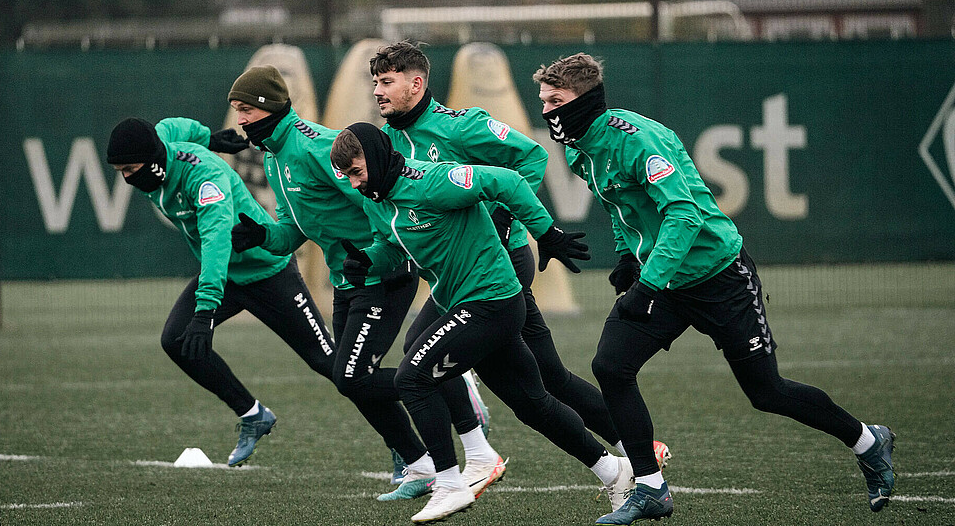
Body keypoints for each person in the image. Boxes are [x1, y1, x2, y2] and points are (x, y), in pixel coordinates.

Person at [532, 53, 896, 525]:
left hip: (718, 276)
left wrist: (649, 281)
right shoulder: (582, 148)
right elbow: (621, 206)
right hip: (663, 280)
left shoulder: (637, 140)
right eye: (542, 101)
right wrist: (627, 254)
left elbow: (685, 215)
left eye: (556, 101)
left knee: (767, 392)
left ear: (586, 100)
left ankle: (869, 441)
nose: (547, 112)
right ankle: (650, 487)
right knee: (611, 365)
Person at [369, 41, 671, 475]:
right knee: (547, 378)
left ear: (416, 84)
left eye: (387, 81)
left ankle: (473, 456)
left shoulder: (459, 126)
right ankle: (636, 446)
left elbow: (530, 156)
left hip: (498, 265)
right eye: (375, 82)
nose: (378, 91)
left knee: (421, 356)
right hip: (462, 274)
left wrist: (506, 219)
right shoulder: (391, 141)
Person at [330, 122, 635, 523]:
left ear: (377, 156)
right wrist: (370, 260)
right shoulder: (378, 199)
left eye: (357, 172)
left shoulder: (432, 181)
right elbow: (391, 247)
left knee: (413, 378)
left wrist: (547, 233)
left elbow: (508, 181)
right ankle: (615, 472)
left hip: (493, 300)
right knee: (534, 405)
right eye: (348, 176)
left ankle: (450, 484)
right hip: (461, 302)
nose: (354, 184)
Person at [218, 65, 499, 501]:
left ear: (268, 107)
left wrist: (374, 254)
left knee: (352, 376)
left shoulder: (315, 146)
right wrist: (264, 237)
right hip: (348, 280)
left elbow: (373, 195)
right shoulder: (274, 156)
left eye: (245, 110)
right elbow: (294, 229)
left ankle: (450, 382)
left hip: (381, 275)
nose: (240, 120)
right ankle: (420, 464)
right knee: (347, 374)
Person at [105, 116, 332, 467]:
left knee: (332, 365)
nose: (127, 177)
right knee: (175, 340)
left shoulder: (204, 179)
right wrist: (210, 137)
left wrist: (205, 310)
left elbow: (216, 244)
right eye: (120, 170)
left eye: (130, 169)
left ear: (153, 160)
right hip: (227, 275)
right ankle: (253, 414)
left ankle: (405, 448)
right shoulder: (161, 140)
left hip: (267, 271)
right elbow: (176, 126)